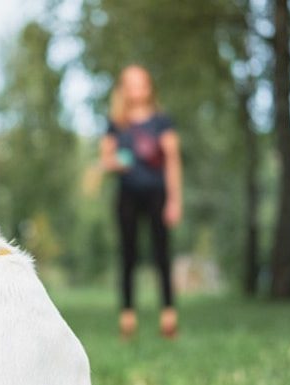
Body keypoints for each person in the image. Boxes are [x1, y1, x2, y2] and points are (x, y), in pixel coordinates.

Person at [99, 65, 183, 339]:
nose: (138, 89)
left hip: (157, 194)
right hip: (128, 196)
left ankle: (169, 317)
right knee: (128, 256)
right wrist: (116, 163)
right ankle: (127, 319)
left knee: (162, 256)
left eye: (142, 83)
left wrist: (174, 200)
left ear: (149, 88)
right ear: (124, 90)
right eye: (132, 84)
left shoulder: (161, 121)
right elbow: (106, 159)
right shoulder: (116, 123)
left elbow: (172, 161)